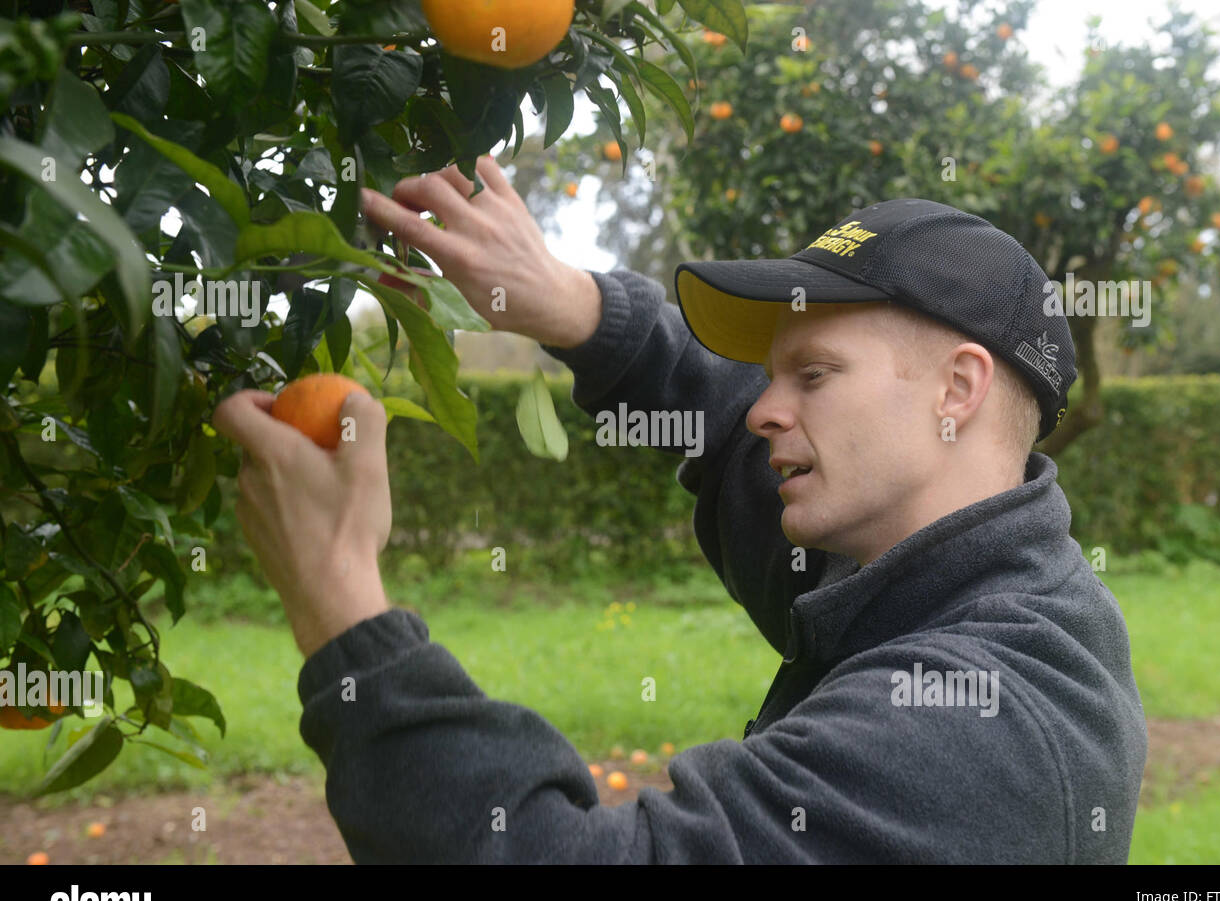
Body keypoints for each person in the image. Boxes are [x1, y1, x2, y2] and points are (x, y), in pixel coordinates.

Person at [212, 154, 1147, 863]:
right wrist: (573, 307)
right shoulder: (956, 576)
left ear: (958, 389)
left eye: (813, 373)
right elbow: (726, 431)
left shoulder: (977, 731)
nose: (765, 406)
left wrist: (338, 598)